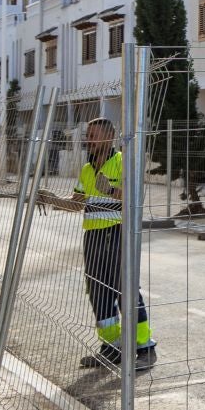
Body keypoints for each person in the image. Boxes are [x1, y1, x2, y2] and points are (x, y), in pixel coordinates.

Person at [73, 117, 157, 373]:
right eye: (88, 135)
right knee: (99, 293)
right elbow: (77, 203)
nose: (89, 139)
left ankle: (145, 349)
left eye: (94, 135)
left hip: (118, 233)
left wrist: (108, 190)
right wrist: (47, 198)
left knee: (125, 291)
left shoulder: (122, 161)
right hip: (94, 237)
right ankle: (112, 348)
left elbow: (132, 197)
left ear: (109, 137)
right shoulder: (87, 168)